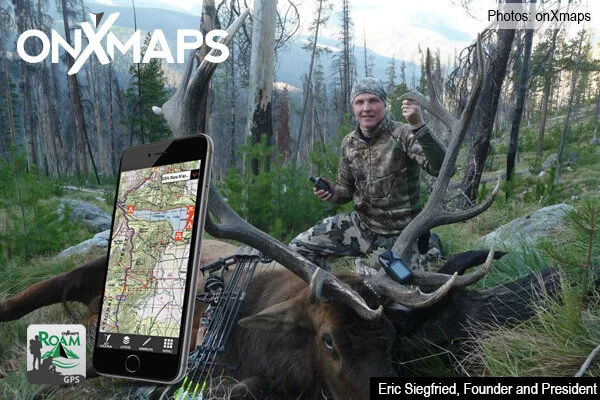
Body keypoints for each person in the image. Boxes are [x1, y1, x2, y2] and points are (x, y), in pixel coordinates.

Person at [289, 77, 446, 270]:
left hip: (400, 233)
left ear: (385, 104)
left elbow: (441, 168)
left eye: (373, 100)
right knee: (297, 250)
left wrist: (419, 126)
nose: (366, 108)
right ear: (353, 107)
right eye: (360, 102)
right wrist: (333, 193)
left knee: (390, 281)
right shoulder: (349, 143)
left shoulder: (404, 134)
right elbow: (345, 190)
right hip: (360, 226)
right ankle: (329, 285)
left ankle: (429, 247)